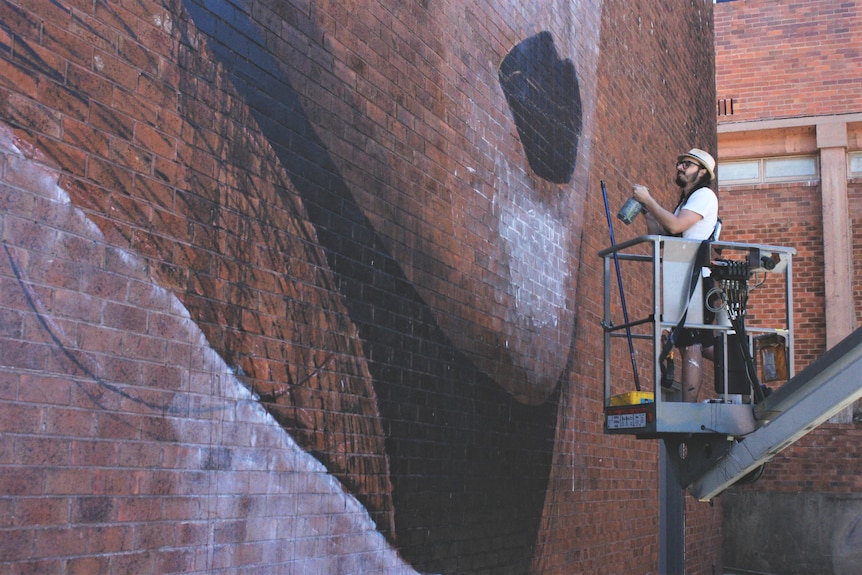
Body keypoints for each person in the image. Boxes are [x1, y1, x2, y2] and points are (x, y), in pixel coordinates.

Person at [632, 148, 719, 402]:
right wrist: (649, 214)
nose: (680, 167)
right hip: (681, 279)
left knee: (689, 343)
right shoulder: (687, 200)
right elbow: (662, 240)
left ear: (702, 172)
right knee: (705, 345)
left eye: (688, 164)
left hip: (694, 281)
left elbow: (675, 225)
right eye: (680, 163)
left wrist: (649, 200)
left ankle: (688, 411)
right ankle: (740, 358)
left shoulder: (704, 195)